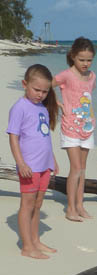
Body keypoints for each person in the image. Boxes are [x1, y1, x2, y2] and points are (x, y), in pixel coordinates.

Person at [7, 64, 59, 259]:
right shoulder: (20, 108)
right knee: (27, 205)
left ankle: (35, 240)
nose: (40, 95)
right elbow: (14, 137)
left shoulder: (42, 108)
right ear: (24, 84)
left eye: (45, 91)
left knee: (38, 204)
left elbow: (43, 137)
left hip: (44, 165)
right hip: (29, 166)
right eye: (37, 90)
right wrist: (20, 163)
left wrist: (52, 159)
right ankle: (27, 246)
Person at [53, 36, 96, 221]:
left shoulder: (92, 76)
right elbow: (45, 86)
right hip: (70, 127)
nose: (85, 63)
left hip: (87, 127)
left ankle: (80, 206)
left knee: (83, 169)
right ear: (72, 56)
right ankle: (70, 209)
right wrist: (56, 103)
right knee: (76, 168)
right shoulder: (66, 75)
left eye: (89, 60)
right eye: (81, 59)